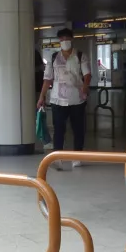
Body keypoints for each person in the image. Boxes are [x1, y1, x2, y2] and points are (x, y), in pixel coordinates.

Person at [37, 28, 91, 169]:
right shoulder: (54, 57)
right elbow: (47, 79)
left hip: (77, 99)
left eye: (66, 38)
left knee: (78, 129)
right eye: (61, 39)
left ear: (71, 39)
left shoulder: (80, 56)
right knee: (59, 129)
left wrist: (85, 87)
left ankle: (77, 156)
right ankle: (58, 157)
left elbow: (87, 75)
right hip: (57, 100)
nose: (64, 41)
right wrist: (41, 96)